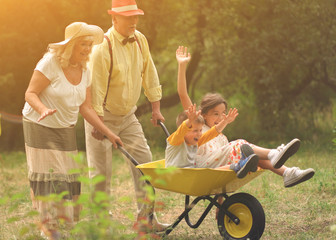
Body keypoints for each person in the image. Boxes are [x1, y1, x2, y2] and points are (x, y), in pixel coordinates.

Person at [22, 22, 123, 238]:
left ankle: (62, 221)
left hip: (65, 127)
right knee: (49, 175)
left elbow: (85, 108)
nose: (87, 49)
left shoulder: (85, 69)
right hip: (40, 124)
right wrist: (43, 109)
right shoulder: (50, 62)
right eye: (83, 44)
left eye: (89, 44)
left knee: (68, 174)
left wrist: (109, 132)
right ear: (70, 46)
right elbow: (30, 93)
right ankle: (48, 228)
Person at [175, 46, 315, 188]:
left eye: (222, 113)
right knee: (240, 144)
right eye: (215, 114)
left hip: (216, 171)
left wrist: (220, 201)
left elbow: (222, 167)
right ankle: (273, 153)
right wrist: (182, 65)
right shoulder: (197, 126)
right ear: (203, 114)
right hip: (202, 171)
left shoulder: (221, 137)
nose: (220, 117)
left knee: (253, 157)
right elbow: (182, 93)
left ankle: (287, 173)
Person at [83, 0, 168, 233]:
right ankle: (102, 223)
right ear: (114, 19)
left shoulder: (140, 40)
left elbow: (149, 73)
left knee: (145, 162)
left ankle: (146, 219)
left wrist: (156, 107)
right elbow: (96, 88)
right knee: (101, 171)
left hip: (129, 116)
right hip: (102, 115)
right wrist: (99, 124)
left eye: (135, 16)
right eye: (128, 17)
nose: (133, 21)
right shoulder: (103, 47)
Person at [165, 104, 260, 179]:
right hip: (176, 176)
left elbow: (211, 133)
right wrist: (189, 121)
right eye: (195, 130)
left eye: (200, 130)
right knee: (206, 171)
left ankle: (242, 165)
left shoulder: (194, 142)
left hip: (190, 175)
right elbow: (181, 130)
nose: (199, 134)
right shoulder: (175, 141)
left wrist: (225, 122)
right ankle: (241, 164)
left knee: (214, 170)